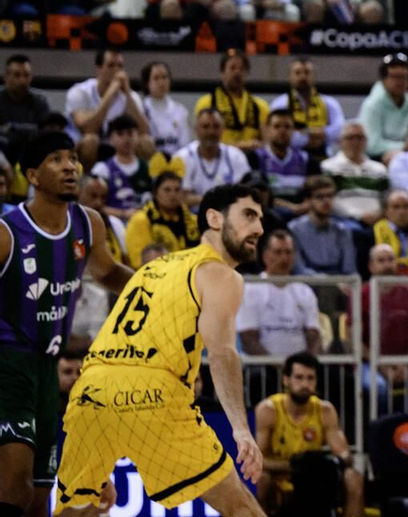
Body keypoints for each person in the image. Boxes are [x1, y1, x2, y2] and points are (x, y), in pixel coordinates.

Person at [54, 184, 267, 517]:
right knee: (240, 507)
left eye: (261, 219)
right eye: (249, 215)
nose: (259, 228)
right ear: (214, 218)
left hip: (91, 392)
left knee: (79, 509)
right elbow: (223, 353)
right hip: (151, 393)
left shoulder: (155, 267)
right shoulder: (219, 273)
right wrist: (240, 428)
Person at [0, 133, 131, 517]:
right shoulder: (7, 232)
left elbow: (108, 272)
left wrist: (158, 285)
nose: (70, 166)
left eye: (73, 157)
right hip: (8, 364)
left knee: (40, 498)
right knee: (15, 487)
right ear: (32, 176)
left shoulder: (88, 223)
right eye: (56, 159)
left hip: (47, 369)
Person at [253, 352, 363, 517]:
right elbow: (257, 460)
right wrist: (295, 466)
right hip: (280, 475)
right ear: (286, 380)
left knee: (353, 478)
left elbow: (345, 454)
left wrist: (332, 462)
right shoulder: (268, 410)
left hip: (314, 475)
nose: (305, 384)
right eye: (299, 378)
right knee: (261, 479)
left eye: (310, 378)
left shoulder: (325, 410)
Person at [358, 243, 408, 413]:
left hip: (405, 361)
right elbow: (353, 339)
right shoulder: (360, 294)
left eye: (390, 259)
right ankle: (384, 426)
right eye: (381, 260)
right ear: (371, 266)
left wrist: (405, 363)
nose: (387, 264)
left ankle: (403, 421)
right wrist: (379, 364)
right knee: (377, 387)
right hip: (370, 362)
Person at [237, 230, 320, 360]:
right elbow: (248, 340)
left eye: (288, 252)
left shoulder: (304, 291)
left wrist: (308, 365)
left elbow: (314, 336)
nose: (284, 258)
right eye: (278, 252)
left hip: (299, 368)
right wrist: (278, 366)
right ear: (265, 256)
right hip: (262, 366)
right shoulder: (250, 290)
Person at [268, 59, 344, 162]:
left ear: (314, 76)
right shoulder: (280, 103)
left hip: (324, 157)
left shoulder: (329, 103)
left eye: (307, 72)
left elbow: (339, 130)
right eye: (297, 73)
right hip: (291, 158)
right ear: (290, 77)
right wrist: (306, 140)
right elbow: (276, 133)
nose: (302, 77)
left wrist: (309, 132)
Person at [193, 50, 269, 152]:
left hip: (250, 158)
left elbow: (268, 142)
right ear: (222, 73)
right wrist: (236, 147)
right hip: (218, 156)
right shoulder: (207, 103)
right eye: (232, 68)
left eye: (241, 69)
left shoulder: (260, 106)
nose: (237, 72)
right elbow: (202, 139)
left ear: (247, 74)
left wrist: (257, 145)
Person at [176, 108, 253, 207]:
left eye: (216, 126)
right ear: (196, 129)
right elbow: (181, 197)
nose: (211, 132)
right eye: (205, 127)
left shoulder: (236, 156)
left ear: (223, 129)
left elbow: (244, 193)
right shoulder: (182, 158)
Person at [287, 175, 357, 277]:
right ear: (308, 201)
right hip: (308, 282)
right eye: (320, 197)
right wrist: (327, 281)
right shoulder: (294, 229)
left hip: (340, 282)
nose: (326, 201)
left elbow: (350, 269)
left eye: (330, 196)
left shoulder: (343, 230)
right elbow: (299, 269)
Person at [123, 170, 199, 262]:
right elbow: (138, 261)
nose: (173, 194)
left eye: (177, 190)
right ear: (155, 193)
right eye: (167, 190)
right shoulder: (141, 220)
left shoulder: (193, 220)